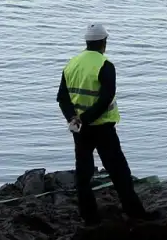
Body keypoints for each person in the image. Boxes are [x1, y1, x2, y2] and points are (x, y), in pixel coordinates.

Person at [57, 23, 150, 224]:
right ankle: (135, 213)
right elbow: (106, 97)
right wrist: (87, 118)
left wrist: (73, 118)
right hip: (102, 127)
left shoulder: (72, 63)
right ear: (103, 43)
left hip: (79, 129)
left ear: (87, 42)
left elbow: (62, 97)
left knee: (83, 172)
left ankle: (89, 216)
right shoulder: (105, 65)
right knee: (119, 171)